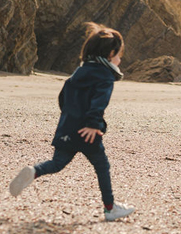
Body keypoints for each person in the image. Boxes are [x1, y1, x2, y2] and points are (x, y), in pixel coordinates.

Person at [9, 22, 135, 221]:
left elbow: (63, 98)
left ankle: (34, 171)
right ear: (110, 54)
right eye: (119, 55)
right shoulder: (104, 76)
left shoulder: (80, 72)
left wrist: (70, 120)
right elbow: (99, 101)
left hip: (67, 127)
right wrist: (93, 124)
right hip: (88, 131)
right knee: (102, 167)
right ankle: (110, 208)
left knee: (57, 163)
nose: (119, 59)